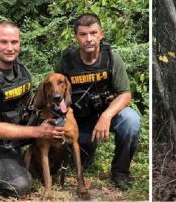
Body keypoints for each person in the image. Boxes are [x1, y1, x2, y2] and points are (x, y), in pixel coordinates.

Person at [55, 13, 141, 191]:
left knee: (131, 120)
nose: (89, 39)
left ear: (101, 34)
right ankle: (83, 152)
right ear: (76, 37)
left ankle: (120, 172)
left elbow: (124, 94)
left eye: (93, 33)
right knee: (83, 162)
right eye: (83, 34)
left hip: (104, 116)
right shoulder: (67, 62)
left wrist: (107, 115)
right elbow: (57, 95)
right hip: (78, 121)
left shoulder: (111, 58)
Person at [0, 21, 65, 197]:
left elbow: (31, 105)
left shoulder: (21, 70)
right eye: (3, 42)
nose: (10, 48)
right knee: (20, 186)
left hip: (15, 136)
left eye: (14, 42)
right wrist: (38, 131)